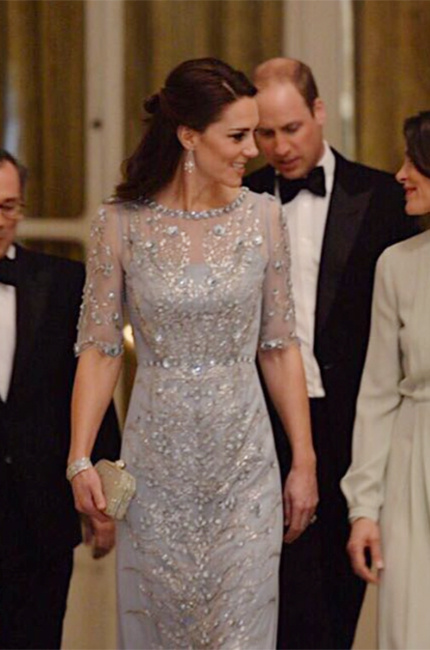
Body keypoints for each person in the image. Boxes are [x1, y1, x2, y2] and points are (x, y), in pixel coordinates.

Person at [67, 57, 318, 650]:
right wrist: (80, 458)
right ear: (188, 135)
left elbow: (279, 346)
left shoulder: (264, 217)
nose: (253, 150)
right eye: (238, 136)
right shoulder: (119, 225)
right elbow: (100, 349)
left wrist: (303, 461)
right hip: (156, 469)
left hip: (245, 468)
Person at [244, 58, 420, 650]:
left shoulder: (383, 196)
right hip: (262, 428)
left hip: (352, 426)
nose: (280, 146)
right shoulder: (239, 200)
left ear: (319, 112)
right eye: (265, 133)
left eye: (291, 128)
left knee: (338, 608)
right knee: (267, 607)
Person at [0, 149, 121, 650]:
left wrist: (106, 502)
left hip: (40, 516)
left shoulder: (64, 283)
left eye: (8, 206)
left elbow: (93, 394)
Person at [342, 111, 430, 649]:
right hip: (411, 471)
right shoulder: (396, 266)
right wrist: (364, 509)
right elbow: (376, 397)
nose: (400, 174)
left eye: (413, 161)